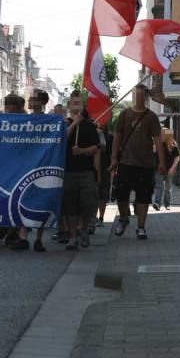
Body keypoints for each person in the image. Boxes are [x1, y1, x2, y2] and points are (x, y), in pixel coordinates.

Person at [110, 84, 166, 239]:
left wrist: (161, 162)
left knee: (143, 197)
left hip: (145, 164)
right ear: (133, 96)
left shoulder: (152, 117)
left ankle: (141, 227)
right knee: (121, 195)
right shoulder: (124, 114)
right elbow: (117, 137)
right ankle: (123, 218)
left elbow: (158, 140)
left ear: (146, 97)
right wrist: (114, 158)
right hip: (126, 162)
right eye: (137, 94)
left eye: (142, 95)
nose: (139, 97)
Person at [11, 89, 51, 252]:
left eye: (33, 98)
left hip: (42, 165)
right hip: (24, 165)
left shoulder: (50, 121)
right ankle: (23, 237)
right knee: (22, 199)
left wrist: (75, 122)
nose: (29, 100)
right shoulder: (24, 119)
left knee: (41, 201)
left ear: (42, 102)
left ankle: (39, 239)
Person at [61, 91, 101, 250]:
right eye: (74, 103)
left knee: (88, 204)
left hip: (86, 172)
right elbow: (61, 139)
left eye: (79, 103)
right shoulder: (64, 124)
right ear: (69, 106)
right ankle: (72, 237)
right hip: (69, 171)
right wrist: (74, 123)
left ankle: (83, 228)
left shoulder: (90, 126)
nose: (77, 105)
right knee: (70, 206)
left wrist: (82, 151)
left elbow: (95, 148)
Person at [0, 93, 26, 247]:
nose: (7, 110)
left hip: (19, 167)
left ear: (18, 108)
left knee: (15, 200)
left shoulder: (27, 122)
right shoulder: (0, 120)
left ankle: (12, 231)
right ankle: (0, 228)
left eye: (11, 107)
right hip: (2, 167)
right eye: (6, 106)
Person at [153, 128, 180, 211]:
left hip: (169, 169)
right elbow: (153, 154)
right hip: (159, 168)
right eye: (160, 133)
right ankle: (157, 203)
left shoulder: (173, 144)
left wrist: (173, 168)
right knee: (159, 186)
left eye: (162, 133)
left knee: (168, 187)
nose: (161, 135)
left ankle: (167, 204)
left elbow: (177, 157)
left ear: (167, 135)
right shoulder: (157, 144)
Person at [95, 123, 115, 227]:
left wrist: (112, 165)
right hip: (92, 167)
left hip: (105, 168)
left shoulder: (110, 137)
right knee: (94, 193)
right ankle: (93, 217)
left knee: (103, 193)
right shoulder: (91, 133)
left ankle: (101, 217)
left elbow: (113, 153)